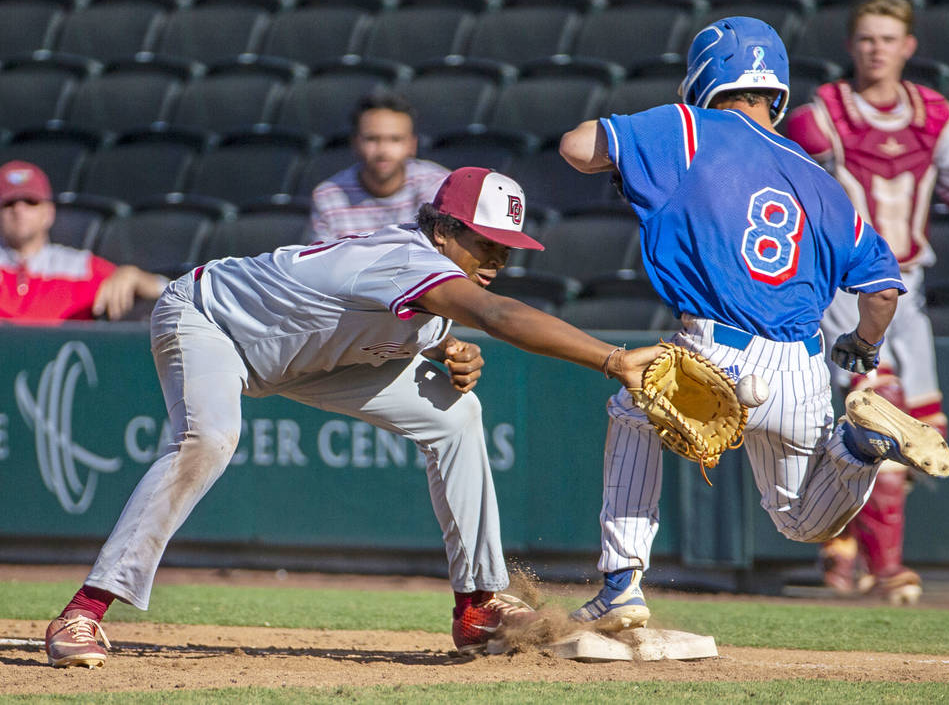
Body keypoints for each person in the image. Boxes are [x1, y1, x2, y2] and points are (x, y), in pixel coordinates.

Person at [43, 167, 666, 668]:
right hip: (209, 320)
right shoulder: (407, 258)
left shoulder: (437, 275)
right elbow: (500, 316)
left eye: (508, 248)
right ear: (443, 230)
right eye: (486, 242)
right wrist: (613, 359)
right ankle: (86, 609)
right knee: (209, 438)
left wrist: (445, 346)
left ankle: (479, 603)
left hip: (301, 358)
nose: (498, 258)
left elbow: (409, 321)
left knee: (455, 415)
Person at [559, 16, 949, 631]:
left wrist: (633, 157)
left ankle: (620, 586)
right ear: (777, 90)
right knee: (802, 522)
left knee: (632, 410)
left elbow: (577, 146)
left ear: (704, 76)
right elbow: (881, 292)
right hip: (801, 367)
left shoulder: (689, 125)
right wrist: (861, 346)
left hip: (714, 346)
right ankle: (859, 446)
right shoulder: (821, 179)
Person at [783, 0, 949, 603]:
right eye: (866, 38)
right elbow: (779, 180)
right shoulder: (823, 116)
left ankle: (846, 551)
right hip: (847, 286)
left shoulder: (935, 116)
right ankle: (886, 568)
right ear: (851, 45)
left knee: (913, 429)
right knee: (878, 414)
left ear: (908, 47)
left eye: (888, 38)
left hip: (907, 291)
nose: (876, 49)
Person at [0, 161, 166, 323]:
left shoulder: (80, 267)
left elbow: (170, 290)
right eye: (9, 203)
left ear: (49, 212)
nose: (18, 210)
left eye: (31, 202)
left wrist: (135, 276)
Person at [310, 92, 449, 240]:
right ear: (355, 143)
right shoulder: (327, 197)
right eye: (372, 139)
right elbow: (320, 261)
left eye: (395, 139)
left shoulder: (440, 186)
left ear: (412, 145)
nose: (383, 150)